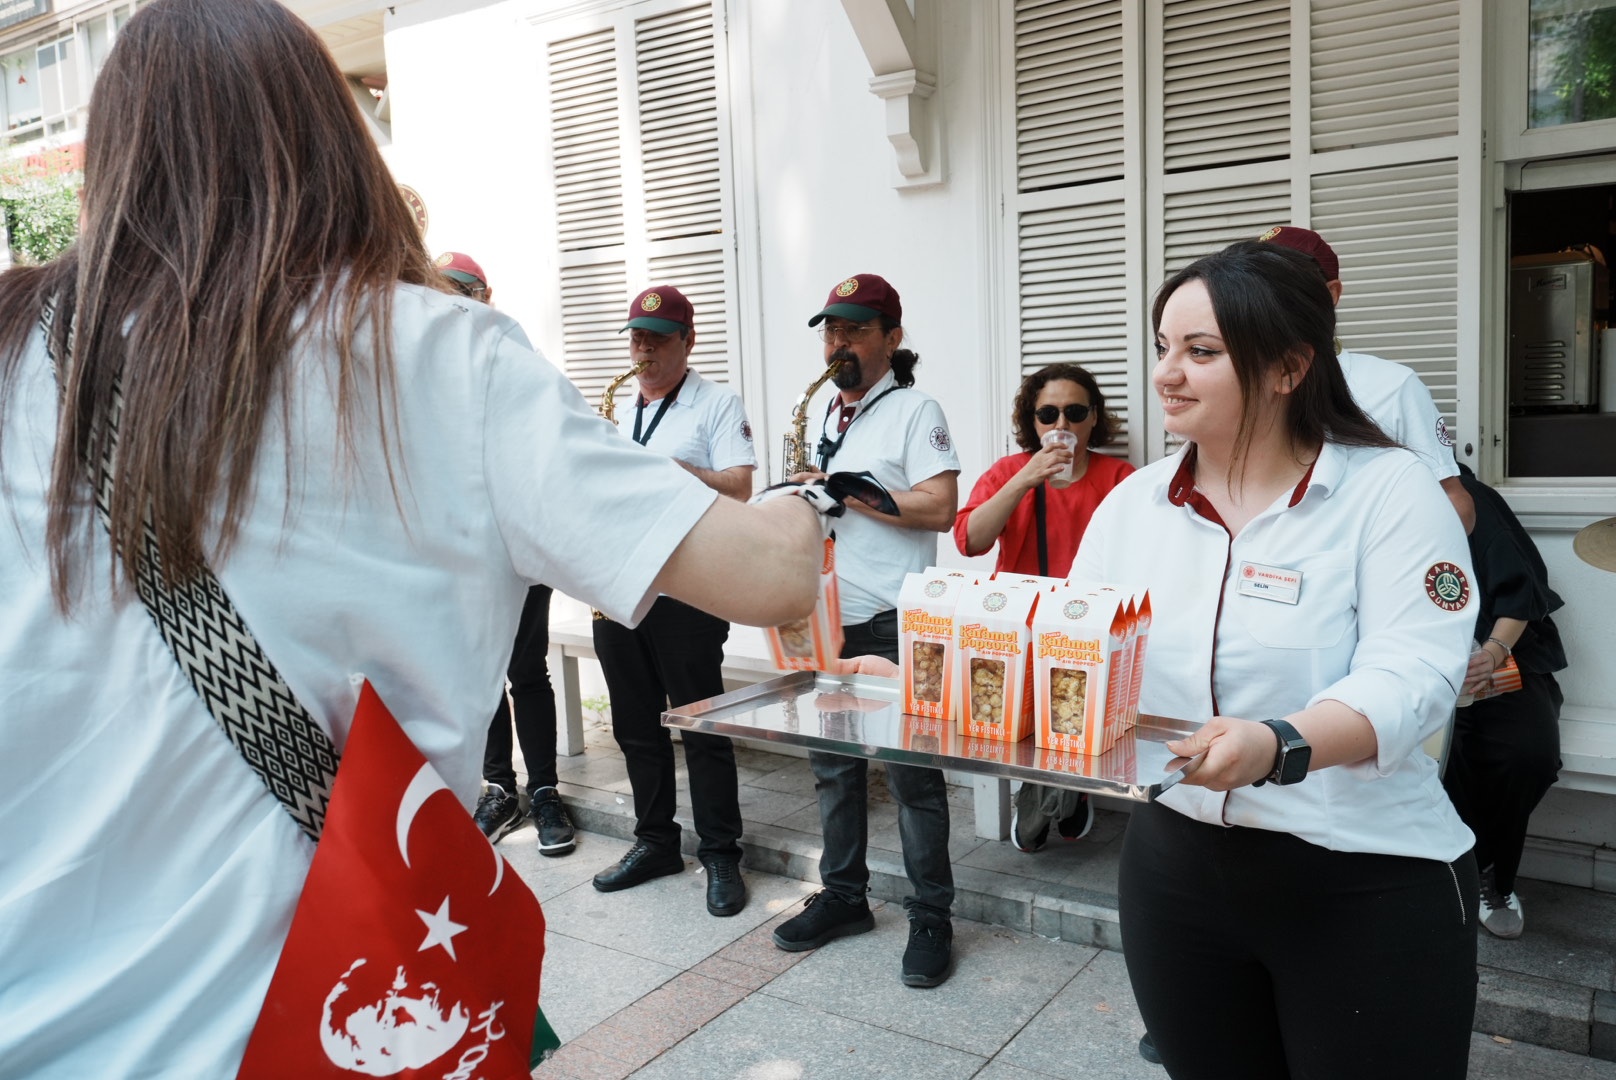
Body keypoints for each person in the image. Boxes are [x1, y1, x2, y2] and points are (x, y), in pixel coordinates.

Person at [0, 3, 823, 1076]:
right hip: (316, 1030)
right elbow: (771, 574)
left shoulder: (17, 346)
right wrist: (803, 493)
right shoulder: (440, 357)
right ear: (331, 143)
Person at [1072, 242, 1478, 1079]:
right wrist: (937, 675)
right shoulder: (1132, 506)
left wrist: (1280, 743)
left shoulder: (1388, 491)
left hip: (1363, 875)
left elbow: (1416, 671)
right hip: (1173, 868)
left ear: (1291, 366)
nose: (1166, 374)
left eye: (1202, 352)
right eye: (1161, 347)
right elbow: (1074, 649)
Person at [770, 272, 963, 989]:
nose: (838, 343)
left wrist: (861, 493)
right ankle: (846, 898)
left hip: (892, 621)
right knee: (834, 772)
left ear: (892, 339)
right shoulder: (825, 411)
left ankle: (930, 917)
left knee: (914, 780)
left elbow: (941, 507)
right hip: (826, 622)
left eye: (853, 330)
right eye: (831, 330)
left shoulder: (916, 409)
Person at [590, 284, 757, 918]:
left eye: (658, 339)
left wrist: (674, 473)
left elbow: (739, 486)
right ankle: (656, 840)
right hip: (622, 587)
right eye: (637, 337)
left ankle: (721, 852)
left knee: (702, 726)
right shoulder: (618, 409)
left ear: (688, 341)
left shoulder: (716, 403)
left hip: (688, 589)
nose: (644, 349)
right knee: (636, 727)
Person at [953, 362, 1134, 851]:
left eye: (1075, 412)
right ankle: (1052, 796)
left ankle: (1059, 795)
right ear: (1030, 422)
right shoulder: (1009, 472)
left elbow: (1140, 555)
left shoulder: (1118, 476)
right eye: (1047, 414)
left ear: (1093, 418)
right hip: (1019, 628)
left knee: (1079, 720)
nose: (1061, 426)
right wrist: (1025, 479)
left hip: (1089, 627)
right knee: (1026, 724)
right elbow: (970, 540)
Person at [430, 253, 575, 856]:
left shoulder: (512, 356)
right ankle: (500, 789)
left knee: (527, 668)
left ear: (486, 293)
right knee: (486, 672)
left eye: (462, 289)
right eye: (441, 291)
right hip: (464, 544)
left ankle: (543, 791)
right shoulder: (431, 366)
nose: (453, 300)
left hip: (518, 537)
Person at [1258, 225, 1476, 532]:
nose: (1266, 299)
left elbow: (1453, 500)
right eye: (1254, 286)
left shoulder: (1392, 386)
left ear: (1331, 293)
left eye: (1287, 284)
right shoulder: (1229, 386)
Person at [1445, 464, 1566, 939]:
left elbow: (1520, 589)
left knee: (1527, 754)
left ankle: (1491, 873)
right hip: (1418, 664)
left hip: (1504, 655)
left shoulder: (1467, 497)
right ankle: (1459, 870)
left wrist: (1493, 651)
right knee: (1440, 753)